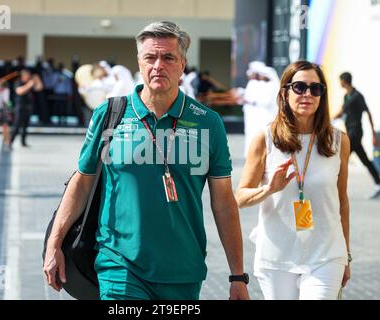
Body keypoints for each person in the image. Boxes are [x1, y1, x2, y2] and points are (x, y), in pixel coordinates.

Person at [43, 21, 250, 300]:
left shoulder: (208, 123)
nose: (158, 66)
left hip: (183, 270)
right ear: (139, 62)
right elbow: (81, 182)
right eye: (150, 57)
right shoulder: (110, 114)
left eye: (168, 57)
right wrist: (54, 243)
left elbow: (224, 201)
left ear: (182, 64)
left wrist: (238, 275)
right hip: (120, 265)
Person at [236, 61, 351, 300]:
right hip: (277, 257)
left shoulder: (338, 141)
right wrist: (269, 189)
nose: (307, 94)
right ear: (284, 92)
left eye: (315, 88)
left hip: (326, 255)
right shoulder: (265, 138)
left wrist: (346, 255)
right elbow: (241, 197)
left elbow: (342, 202)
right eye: (299, 87)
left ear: (322, 95)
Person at [333, 72, 380, 199]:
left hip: (356, 132)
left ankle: (333, 187)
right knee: (364, 160)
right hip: (350, 132)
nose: (340, 83)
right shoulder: (346, 97)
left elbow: (368, 112)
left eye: (340, 81)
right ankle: (378, 182)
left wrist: (373, 134)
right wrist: (329, 120)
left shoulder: (358, 96)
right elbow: (342, 112)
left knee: (341, 158)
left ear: (344, 81)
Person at [10, 69, 36, 148]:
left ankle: (23, 142)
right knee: (16, 126)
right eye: (27, 75)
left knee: (25, 126)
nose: (29, 76)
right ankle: (9, 142)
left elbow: (40, 88)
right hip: (20, 107)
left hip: (28, 107)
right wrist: (29, 85)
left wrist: (37, 80)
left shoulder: (30, 83)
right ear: (23, 75)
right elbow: (19, 91)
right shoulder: (18, 82)